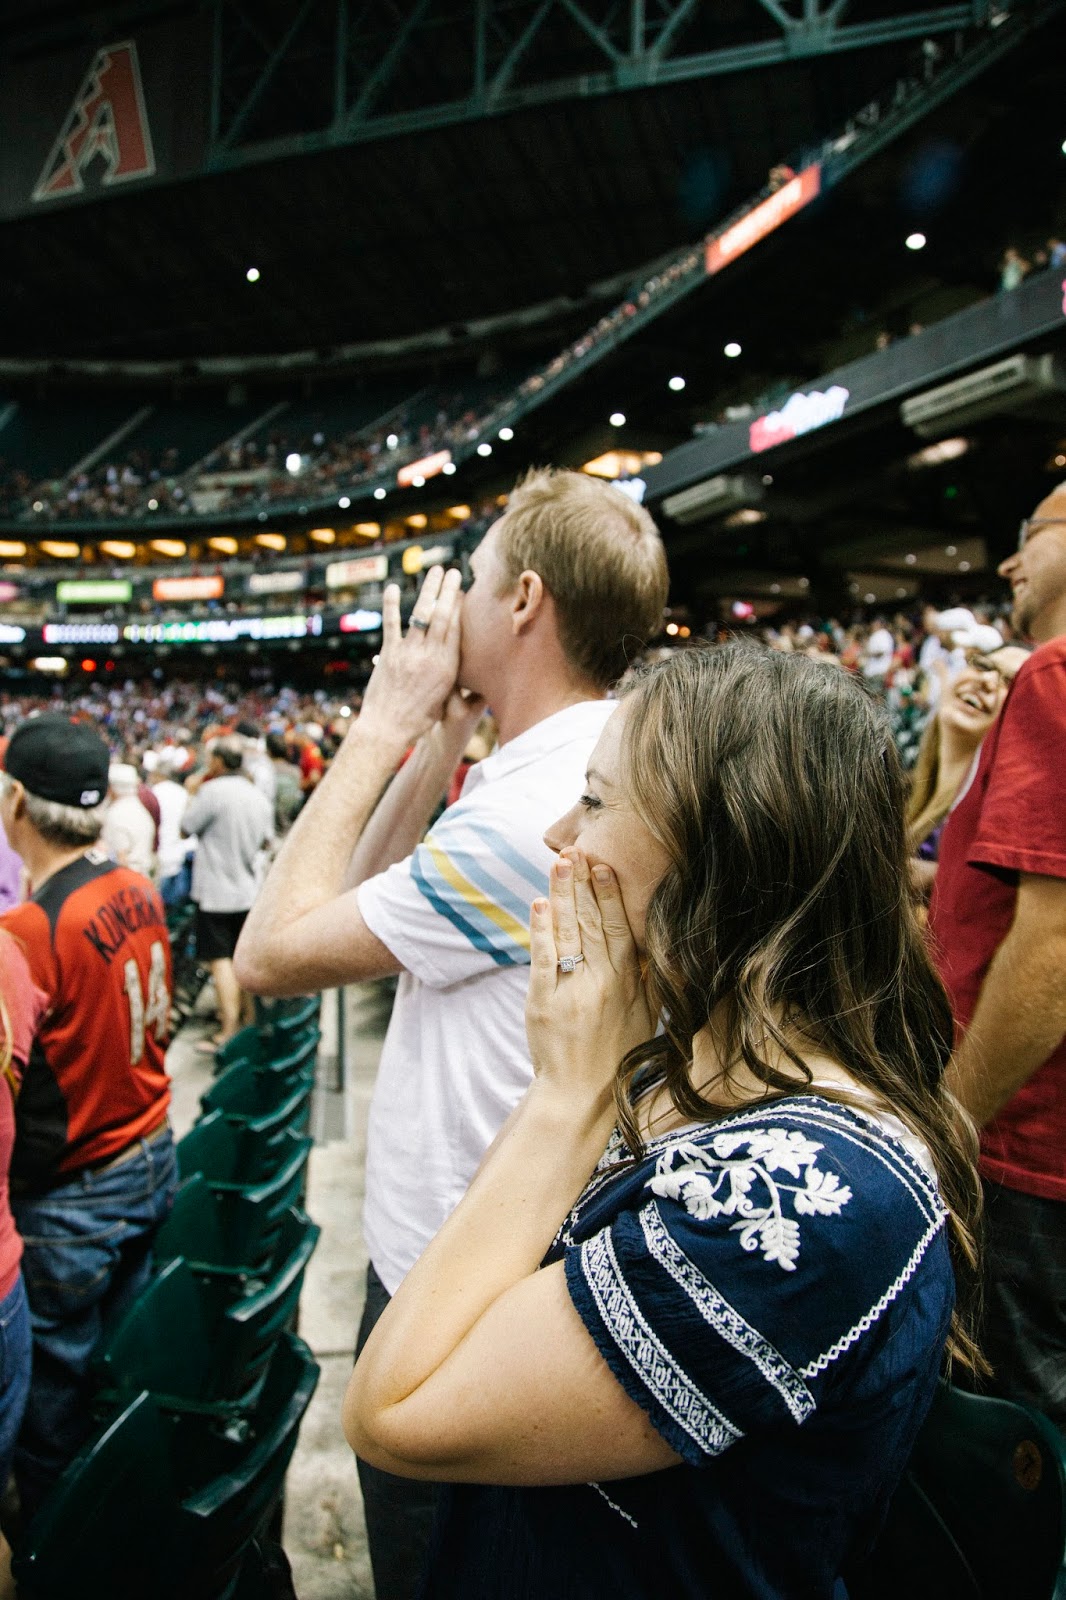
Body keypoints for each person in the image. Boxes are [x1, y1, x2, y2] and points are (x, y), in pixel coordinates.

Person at [342, 642, 979, 1600]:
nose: (560, 836)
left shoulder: (810, 1204)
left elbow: (394, 1409)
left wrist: (568, 1092)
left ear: (727, 846)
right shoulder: (689, 1066)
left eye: (595, 801)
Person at [236, 467, 668, 1598]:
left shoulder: (534, 811)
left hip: (462, 1278)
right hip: (499, 1250)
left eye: (465, 584)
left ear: (522, 600)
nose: (445, 610)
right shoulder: (585, 760)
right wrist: (441, 735)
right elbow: (353, 890)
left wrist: (381, 723)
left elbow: (270, 954)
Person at [0, 715, 176, 1519]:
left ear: (16, 807)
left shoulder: (28, 933)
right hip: (151, 1146)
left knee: (52, 1413)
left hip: (74, 1190)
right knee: (122, 1365)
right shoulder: (137, 885)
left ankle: (63, 1551)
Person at [931, 482, 1066, 1432]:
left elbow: (1053, 949)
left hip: (1025, 1149)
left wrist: (947, 1123)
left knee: (1012, 1460)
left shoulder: (1057, 674)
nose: (1011, 561)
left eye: (1033, 532)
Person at [906, 640, 1030, 890]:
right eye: (983, 665)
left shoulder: (1001, 833)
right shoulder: (895, 789)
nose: (987, 681)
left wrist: (940, 880)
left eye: (1010, 683)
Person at [183, 737, 274, 1053]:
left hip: (217, 892)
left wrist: (192, 793)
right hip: (248, 890)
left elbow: (185, 827)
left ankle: (228, 1030)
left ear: (220, 762)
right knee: (241, 958)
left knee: (221, 961)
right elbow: (266, 842)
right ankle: (248, 1022)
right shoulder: (257, 794)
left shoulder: (212, 791)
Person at [101, 762, 157, 879]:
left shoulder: (116, 814)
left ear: (112, 788)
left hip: (125, 880)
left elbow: (121, 857)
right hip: (142, 878)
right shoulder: (140, 809)